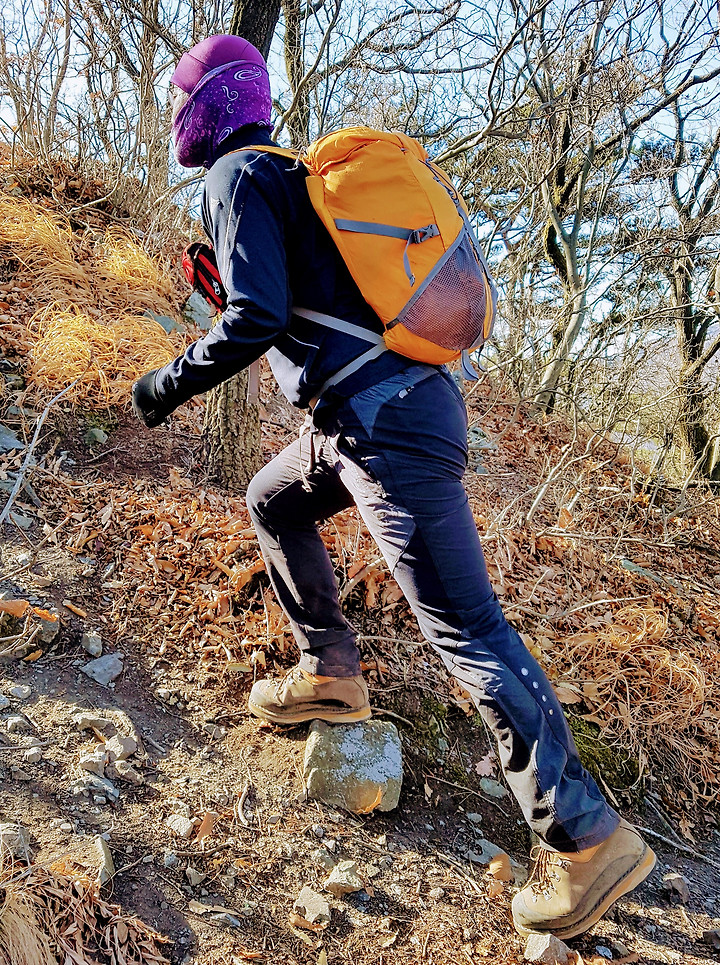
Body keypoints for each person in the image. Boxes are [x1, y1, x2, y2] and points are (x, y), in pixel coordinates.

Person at [132, 34, 656, 939]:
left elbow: (255, 318)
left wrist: (165, 382)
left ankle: (585, 838)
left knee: (467, 627)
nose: (176, 114)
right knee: (273, 498)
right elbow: (289, 312)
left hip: (385, 425)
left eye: (179, 98)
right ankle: (330, 670)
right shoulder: (288, 182)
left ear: (205, 105)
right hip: (366, 419)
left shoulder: (236, 177)